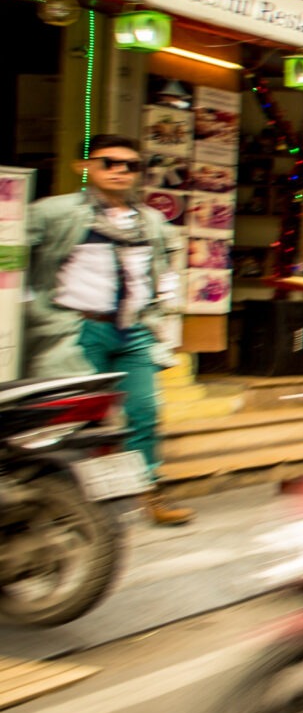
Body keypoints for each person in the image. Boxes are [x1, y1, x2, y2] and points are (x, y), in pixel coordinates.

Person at [25, 134, 190, 525]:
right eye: (108, 162)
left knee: (143, 412)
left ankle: (149, 493)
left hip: (133, 330)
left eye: (130, 165)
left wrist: (163, 313)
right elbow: (12, 253)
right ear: (84, 167)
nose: (119, 171)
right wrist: (28, 310)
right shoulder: (53, 212)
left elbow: (163, 269)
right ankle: (68, 508)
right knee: (72, 419)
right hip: (77, 328)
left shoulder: (149, 219)